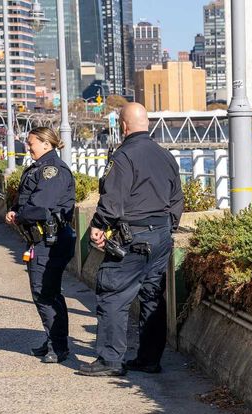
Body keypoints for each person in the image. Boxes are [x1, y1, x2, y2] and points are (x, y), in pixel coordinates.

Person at [77, 102, 183, 377]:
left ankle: (110, 360)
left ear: (123, 126)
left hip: (134, 237)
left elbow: (113, 198)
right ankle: (149, 359)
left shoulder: (123, 156)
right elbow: (176, 199)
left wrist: (99, 226)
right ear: (146, 123)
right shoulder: (165, 155)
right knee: (152, 297)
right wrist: (167, 227)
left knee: (112, 294)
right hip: (161, 236)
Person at [5, 127, 76, 364]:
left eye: (31, 142)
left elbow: (40, 205)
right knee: (45, 291)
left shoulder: (52, 170)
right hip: (41, 239)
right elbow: (26, 200)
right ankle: (53, 338)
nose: (27, 146)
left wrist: (20, 215)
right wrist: (15, 210)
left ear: (46, 144)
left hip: (50, 240)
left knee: (46, 292)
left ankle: (59, 345)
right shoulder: (39, 167)